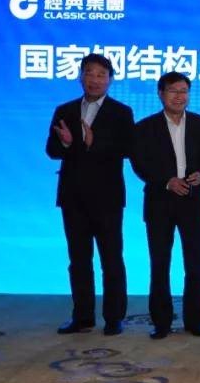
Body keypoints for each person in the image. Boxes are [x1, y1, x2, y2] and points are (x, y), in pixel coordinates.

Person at [45, 53, 135, 336]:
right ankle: (82, 317)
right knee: (79, 260)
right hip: (72, 197)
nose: (94, 80)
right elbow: (51, 150)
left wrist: (93, 143)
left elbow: (128, 149)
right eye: (89, 73)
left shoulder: (121, 112)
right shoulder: (65, 110)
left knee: (111, 259)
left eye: (101, 75)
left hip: (107, 198)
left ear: (110, 80)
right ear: (80, 76)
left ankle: (114, 318)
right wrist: (67, 144)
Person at [132, 72, 200, 340]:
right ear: (161, 94)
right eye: (173, 91)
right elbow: (140, 163)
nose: (179, 96)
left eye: (184, 91)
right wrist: (166, 181)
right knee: (160, 263)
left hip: (193, 201)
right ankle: (161, 322)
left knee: (195, 264)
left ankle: (195, 320)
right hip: (159, 202)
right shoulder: (145, 127)